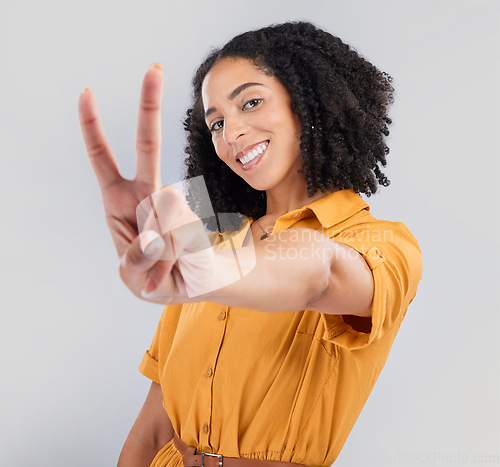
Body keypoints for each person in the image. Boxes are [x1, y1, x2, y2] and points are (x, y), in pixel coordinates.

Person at [78, 21, 422, 467]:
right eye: (216, 122)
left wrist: (210, 270)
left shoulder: (383, 244)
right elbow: (154, 424)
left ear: (307, 102)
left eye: (252, 102)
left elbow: (319, 272)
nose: (230, 133)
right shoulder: (211, 236)